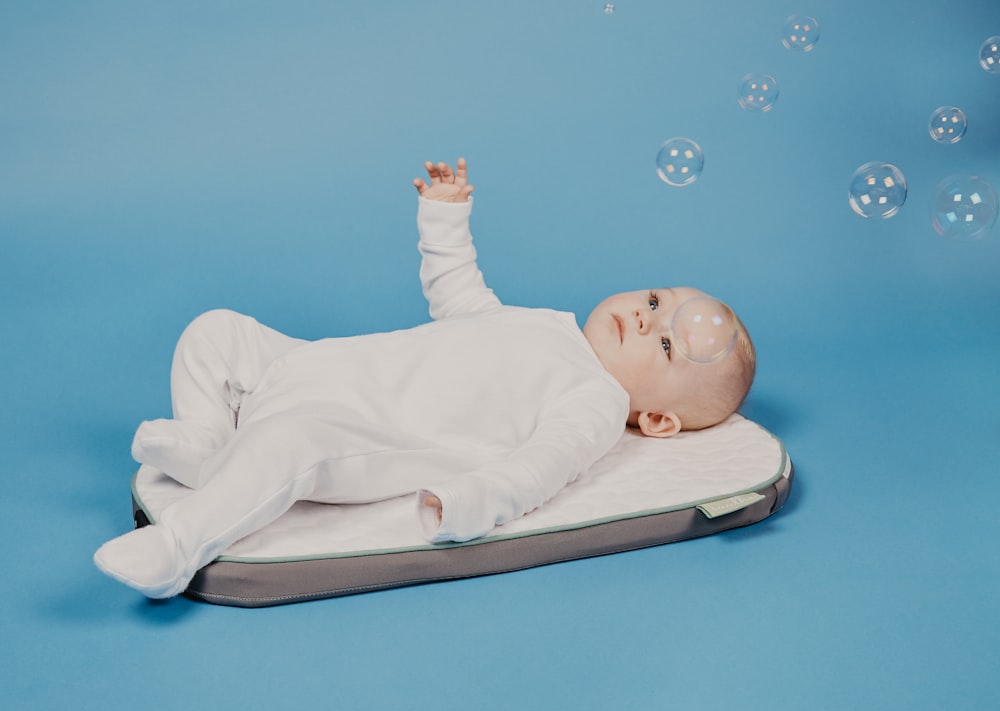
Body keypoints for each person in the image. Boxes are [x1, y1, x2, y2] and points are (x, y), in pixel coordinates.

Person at [94, 157, 755, 599]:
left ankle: (179, 544)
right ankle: (212, 446)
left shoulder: (597, 403)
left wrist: (465, 505)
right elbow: (459, 296)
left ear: (659, 420)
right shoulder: (544, 324)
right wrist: (444, 215)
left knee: (291, 440)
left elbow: (537, 470)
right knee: (216, 331)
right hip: (314, 367)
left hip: (354, 430)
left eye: (665, 343)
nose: (644, 320)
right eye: (653, 301)